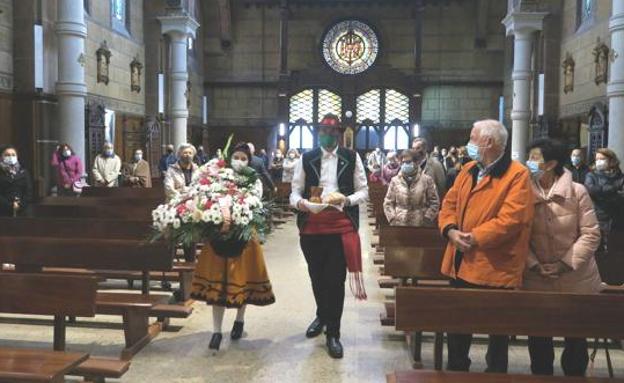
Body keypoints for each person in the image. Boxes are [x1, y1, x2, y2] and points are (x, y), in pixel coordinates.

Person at [438, 119, 534, 373]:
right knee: (457, 335)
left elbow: (511, 220)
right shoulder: (468, 168)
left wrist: (472, 237)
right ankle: (457, 375)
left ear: (488, 142)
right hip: (460, 264)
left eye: (472, 138)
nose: (468, 143)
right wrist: (450, 230)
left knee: (497, 341)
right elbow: (448, 204)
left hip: (494, 268)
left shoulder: (517, 175)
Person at [290, 113, 369, 359]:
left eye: (332, 132)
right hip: (312, 226)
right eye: (323, 131)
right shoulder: (307, 158)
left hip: (340, 225)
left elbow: (364, 191)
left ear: (339, 134)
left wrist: (346, 200)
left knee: (335, 280)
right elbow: (294, 194)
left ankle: (333, 332)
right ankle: (322, 315)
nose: (327, 136)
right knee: (317, 276)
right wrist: (303, 204)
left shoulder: (351, 157)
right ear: (318, 133)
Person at [523, 138, 601, 377]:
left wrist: (564, 264)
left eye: (535, 157)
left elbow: (591, 233)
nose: (529, 162)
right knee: (539, 342)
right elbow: (518, 236)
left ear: (552, 163)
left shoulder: (577, 192)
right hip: (538, 279)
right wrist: (534, 265)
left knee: (576, 340)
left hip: (575, 278)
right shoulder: (523, 192)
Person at [191, 142, 276, 352]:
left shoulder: (253, 180)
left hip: (244, 237)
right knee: (216, 285)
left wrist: (239, 208)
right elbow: (205, 196)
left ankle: (239, 319)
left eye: (243, 158)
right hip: (218, 236)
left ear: (249, 161)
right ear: (230, 158)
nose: (239, 161)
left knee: (243, 280)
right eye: (236, 157)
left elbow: (255, 202)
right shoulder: (217, 177)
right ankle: (216, 331)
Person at [383, 149, 439, 227]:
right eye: (403, 162)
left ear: (416, 162)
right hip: (399, 224)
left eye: (408, 162)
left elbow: (434, 202)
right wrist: (392, 219)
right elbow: (388, 203)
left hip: (420, 224)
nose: (405, 164)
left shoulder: (426, 180)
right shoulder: (395, 181)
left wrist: (427, 218)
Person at [164, 144, 200, 263]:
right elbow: (168, 188)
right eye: (185, 153)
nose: (187, 155)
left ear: (193, 155)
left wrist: (186, 193)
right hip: (175, 209)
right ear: (179, 154)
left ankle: (190, 270)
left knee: (190, 241)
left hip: (192, 210)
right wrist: (185, 195)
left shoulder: (197, 170)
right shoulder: (171, 169)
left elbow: (200, 188)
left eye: (190, 153)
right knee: (173, 240)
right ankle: (168, 269)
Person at [585, 148, 624, 252]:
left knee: (615, 250)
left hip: (616, 218)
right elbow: (591, 190)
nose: (599, 161)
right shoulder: (591, 175)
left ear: (611, 160)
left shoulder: (620, 176)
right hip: (598, 216)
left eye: (602, 158)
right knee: (598, 250)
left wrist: (602, 193)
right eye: (597, 159)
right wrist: (614, 189)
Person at [0, 145, 32, 217]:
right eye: (7, 155)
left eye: (13, 155)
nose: (11, 157)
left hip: (22, 211)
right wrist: (10, 205)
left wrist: (20, 205)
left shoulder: (24, 172)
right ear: (1, 157)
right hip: (3, 211)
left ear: (17, 157)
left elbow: (28, 192)